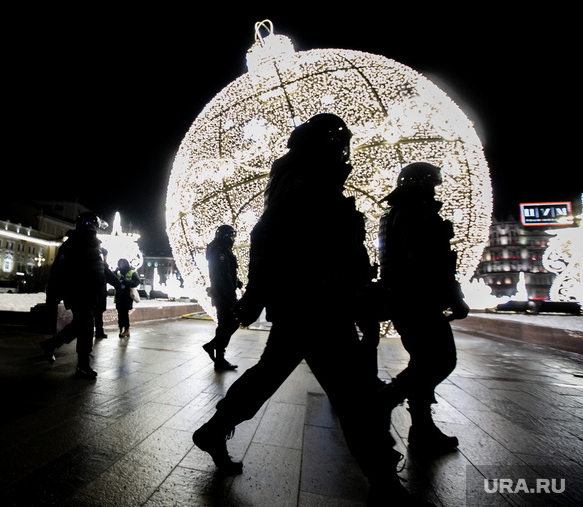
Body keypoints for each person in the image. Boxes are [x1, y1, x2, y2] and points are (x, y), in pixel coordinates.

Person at [192, 114, 430, 506]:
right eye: (338, 144)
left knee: (269, 377)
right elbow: (269, 239)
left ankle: (215, 430)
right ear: (324, 148)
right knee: (354, 395)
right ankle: (384, 481)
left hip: (313, 307)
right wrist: (256, 296)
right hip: (317, 307)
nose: (344, 152)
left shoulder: (312, 186)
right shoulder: (306, 188)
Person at [377, 162, 470, 456]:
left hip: (406, 298)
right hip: (418, 299)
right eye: (432, 185)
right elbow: (430, 261)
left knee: (424, 361)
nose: (434, 190)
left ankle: (422, 428)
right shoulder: (416, 213)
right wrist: (454, 297)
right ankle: (383, 403)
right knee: (440, 360)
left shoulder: (396, 212)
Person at [40, 212, 118, 378]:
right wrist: (53, 295)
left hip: (91, 294)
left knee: (80, 325)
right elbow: (58, 270)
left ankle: (51, 344)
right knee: (86, 326)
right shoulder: (73, 243)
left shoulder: (94, 245)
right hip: (78, 292)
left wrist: (118, 283)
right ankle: (83, 364)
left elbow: (103, 268)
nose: (95, 229)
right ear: (89, 226)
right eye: (94, 226)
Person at [202, 224, 242, 370]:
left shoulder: (221, 250)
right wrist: (232, 298)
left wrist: (236, 282)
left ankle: (219, 358)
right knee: (232, 323)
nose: (233, 238)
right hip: (223, 295)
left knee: (225, 325)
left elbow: (226, 273)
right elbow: (223, 275)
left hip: (222, 293)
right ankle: (213, 348)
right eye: (231, 235)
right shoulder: (220, 252)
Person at [114, 258, 140, 338]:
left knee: (124, 314)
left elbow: (137, 282)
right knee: (120, 313)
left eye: (122, 264)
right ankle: (121, 329)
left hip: (127, 296)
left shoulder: (132, 272)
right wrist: (115, 272)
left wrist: (126, 282)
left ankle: (126, 330)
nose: (120, 265)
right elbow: (112, 278)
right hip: (119, 295)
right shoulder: (118, 272)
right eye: (119, 264)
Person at [94, 248, 110, 338]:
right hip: (98, 294)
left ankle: (99, 332)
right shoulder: (102, 264)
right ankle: (53, 343)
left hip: (95, 294)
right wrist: (119, 285)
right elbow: (110, 276)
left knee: (97, 315)